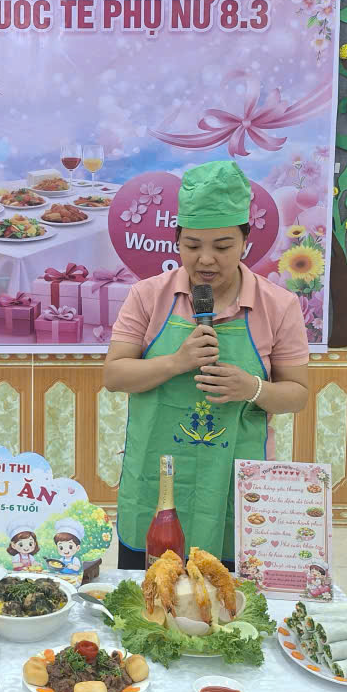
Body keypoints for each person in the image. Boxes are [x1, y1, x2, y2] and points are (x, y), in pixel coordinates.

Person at [104, 160, 311, 570]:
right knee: (149, 597)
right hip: (158, 476)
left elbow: (297, 395)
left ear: (245, 242)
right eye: (193, 245)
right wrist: (176, 362)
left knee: (224, 599)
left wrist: (252, 388)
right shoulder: (147, 296)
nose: (206, 260)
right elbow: (114, 375)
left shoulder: (279, 305)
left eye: (222, 246)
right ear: (177, 241)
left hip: (234, 478)